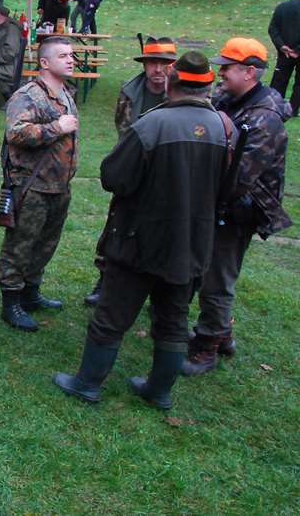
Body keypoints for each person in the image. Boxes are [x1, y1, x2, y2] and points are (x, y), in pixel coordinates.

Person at [54, 52, 228, 410]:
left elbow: (114, 176)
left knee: (112, 315)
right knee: (173, 319)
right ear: (208, 86)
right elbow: (229, 187)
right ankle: (159, 391)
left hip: (139, 240)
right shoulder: (224, 128)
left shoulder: (153, 124)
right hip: (192, 243)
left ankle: (87, 383)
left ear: (173, 83)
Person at [184, 38, 292, 375]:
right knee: (212, 270)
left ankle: (206, 348)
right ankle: (222, 335)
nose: (220, 74)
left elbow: (240, 177)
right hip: (222, 200)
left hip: (239, 208)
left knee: (216, 277)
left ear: (249, 72)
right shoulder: (230, 98)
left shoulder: (265, 118)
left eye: (227, 68)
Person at [86, 37, 177, 306]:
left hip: (168, 178)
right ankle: (105, 282)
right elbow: (123, 134)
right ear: (144, 64)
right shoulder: (129, 92)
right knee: (116, 230)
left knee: (163, 235)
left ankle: (160, 295)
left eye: (164, 64)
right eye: (152, 63)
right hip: (133, 173)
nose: (158, 70)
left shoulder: (182, 94)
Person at [0, 36, 78, 332]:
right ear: (44, 62)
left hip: (59, 185)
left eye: (71, 55)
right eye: (63, 56)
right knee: (20, 245)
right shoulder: (28, 95)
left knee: (45, 244)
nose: (70, 60)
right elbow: (15, 133)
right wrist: (57, 127)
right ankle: (11, 303)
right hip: (31, 187)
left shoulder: (65, 93)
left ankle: (30, 293)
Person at [267, 0, 300, 112]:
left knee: (279, 81)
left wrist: (282, 46)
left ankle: (274, 107)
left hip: (284, 52)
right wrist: (297, 50)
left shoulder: (281, 7)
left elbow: (272, 29)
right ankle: (293, 109)